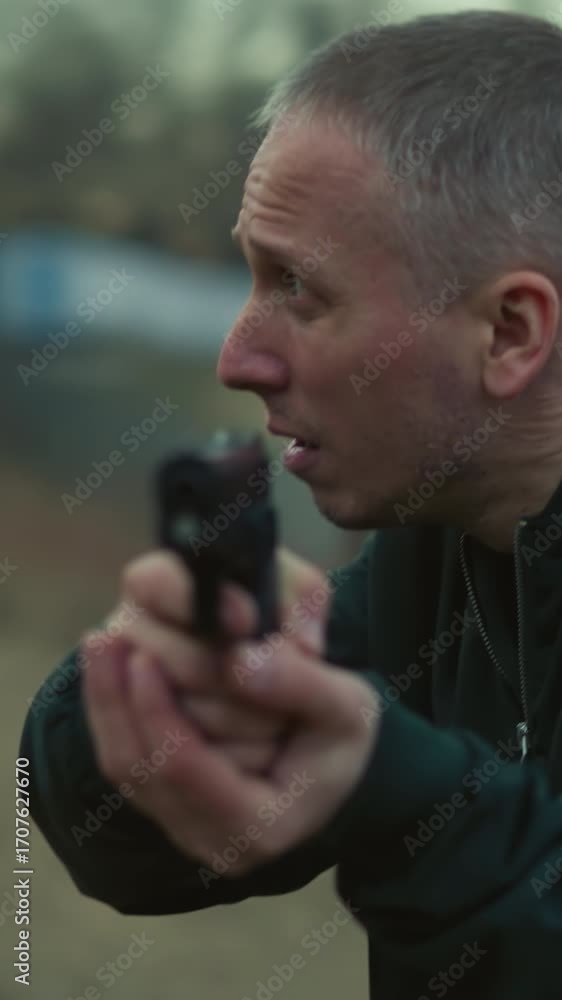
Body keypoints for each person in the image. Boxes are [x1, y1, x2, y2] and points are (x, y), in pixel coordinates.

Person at [21, 9, 562, 999]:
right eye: (250, 274)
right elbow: (124, 854)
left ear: (510, 333)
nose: (236, 359)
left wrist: (397, 794)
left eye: (298, 288)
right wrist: (152, 696)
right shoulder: (430, 557)